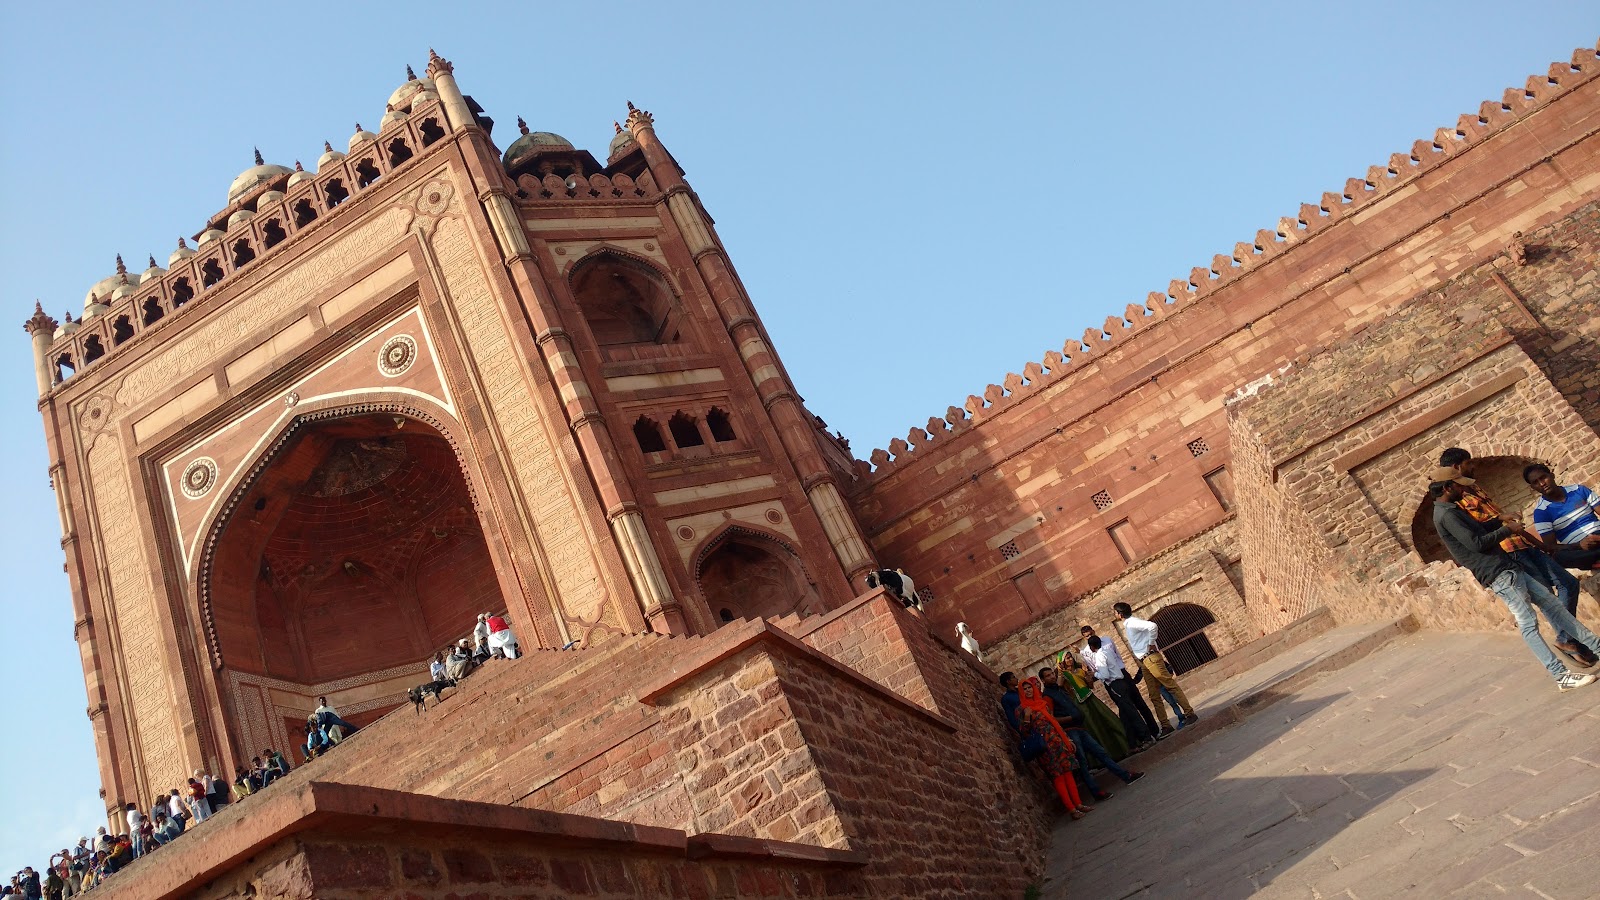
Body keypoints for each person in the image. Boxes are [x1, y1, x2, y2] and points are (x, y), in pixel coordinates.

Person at [1431, 469, 1600, 691]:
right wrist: (1506, 530)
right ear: (1447, 488)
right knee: (1529, 624)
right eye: (1459, 486)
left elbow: (1479, 529)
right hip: (1497, 574)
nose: (1463, 489)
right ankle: (1560, 676)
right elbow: (1476, 543)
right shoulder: (1446, 515)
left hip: (1507, 568)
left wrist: (1499, 520)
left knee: (1554, 608)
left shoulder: (1451, 509)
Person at [1039, 667, 1144, 795]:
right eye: (1048, 676)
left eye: (1052, 674)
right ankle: (1096, 792)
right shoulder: (1048, 696)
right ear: (1043, 680)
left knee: (1101, 753)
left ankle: (1126, 776)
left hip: (1079, 728)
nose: (1052, 677)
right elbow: (1052, 718)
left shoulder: (1060, 690)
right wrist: (1070, 718)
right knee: (1082, 762)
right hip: (1070, 731)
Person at [1113, 602, 1199, 735]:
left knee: (1170, 686)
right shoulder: (1129, 624)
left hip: (1151, 658)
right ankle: (1165, 725)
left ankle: (1189, 713)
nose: (1115, 614)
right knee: (1154, 694)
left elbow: (1152, 626)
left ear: (1120, 614)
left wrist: (1151, 643)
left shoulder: (1132, 622)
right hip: (1145, 662)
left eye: (1115, 612)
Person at [1015, 677, 1094, 819]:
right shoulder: (1022, 709)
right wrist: (1027, 717)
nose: (1028, 691)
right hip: (1045, 747)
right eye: (1024, 689)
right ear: (1021, 691)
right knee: (1058, 777)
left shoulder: (1043, 704)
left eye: (1029, 687)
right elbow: (1024, 732)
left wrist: (1067, 739)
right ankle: (1072, 810)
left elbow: (1054, 723)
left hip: (1058, 742)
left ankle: (1078, 804)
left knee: (1068, 772)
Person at [1083, 633, 1156, 750]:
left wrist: (1095, 674)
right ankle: (1132, 742)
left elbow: (1105, 674)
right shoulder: (1107, 652)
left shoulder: (1100, 656)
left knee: (1131, 712)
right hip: (1121, 682)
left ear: (1091, 647)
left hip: (1115, 685)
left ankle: (1146, 737)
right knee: (1125, 714)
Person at [1525, 463, 1600, 571]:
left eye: (1543, 477)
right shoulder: (1541, 512)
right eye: (1535, 482)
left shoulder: (1579, 490)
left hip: (1597, 534)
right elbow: (1550, 547)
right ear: (1533, 487)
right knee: (1558, 558)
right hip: (1578, 548)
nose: (1542, 484)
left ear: (1552, 475)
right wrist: (1579, 545)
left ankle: (1592, 561)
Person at [1057, 652, 1130, 759]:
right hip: (1080, 703)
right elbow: (1059, 684)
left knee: (1106, 720)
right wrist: (1060, 670)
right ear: (1062, 661)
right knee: (1093, 728)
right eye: (1067, 658)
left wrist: (1088, 677)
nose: (1070, 660)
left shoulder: (1080, 670)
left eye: (1071, 657)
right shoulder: (1063, 674)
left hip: (1091, 699)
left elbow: (1090, 686)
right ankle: (1103, 757)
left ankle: (1123, 747)